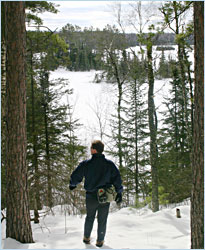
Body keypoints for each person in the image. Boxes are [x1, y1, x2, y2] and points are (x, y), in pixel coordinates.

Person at [69, 140, 123, 247]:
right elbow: (117, 179)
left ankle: (87, 238)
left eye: (91, 148)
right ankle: (100, 241)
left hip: (91, 196)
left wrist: (73, 184)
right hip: (105, 196)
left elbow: (76, 175)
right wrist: (119, 192)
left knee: (90, 217)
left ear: (94, 150)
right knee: (102, 220)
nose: (90, 150)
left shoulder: (86, 164)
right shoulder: (109, 164)